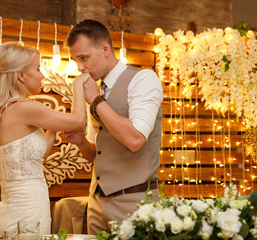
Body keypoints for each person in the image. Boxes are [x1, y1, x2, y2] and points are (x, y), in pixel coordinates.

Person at [63, 20, 163, 234]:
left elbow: (135, 140)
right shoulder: (97, 90)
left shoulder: (143, 79)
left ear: (105, 48)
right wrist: (81, 142)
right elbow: (97, 155)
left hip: (134, 204)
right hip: (96, 202)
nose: (80, 67)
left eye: (84, 58)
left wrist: (98, 102)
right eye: (76, 60)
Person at [0, 42, 89, 237]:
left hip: (17, 208)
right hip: (28, 212)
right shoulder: (25, 108)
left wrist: (52, 131)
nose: (42, 75)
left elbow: (33, 161)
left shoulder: (6, 110)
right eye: (38, 69)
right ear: (21, 75)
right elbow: (79, 121)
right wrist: (78, 85)